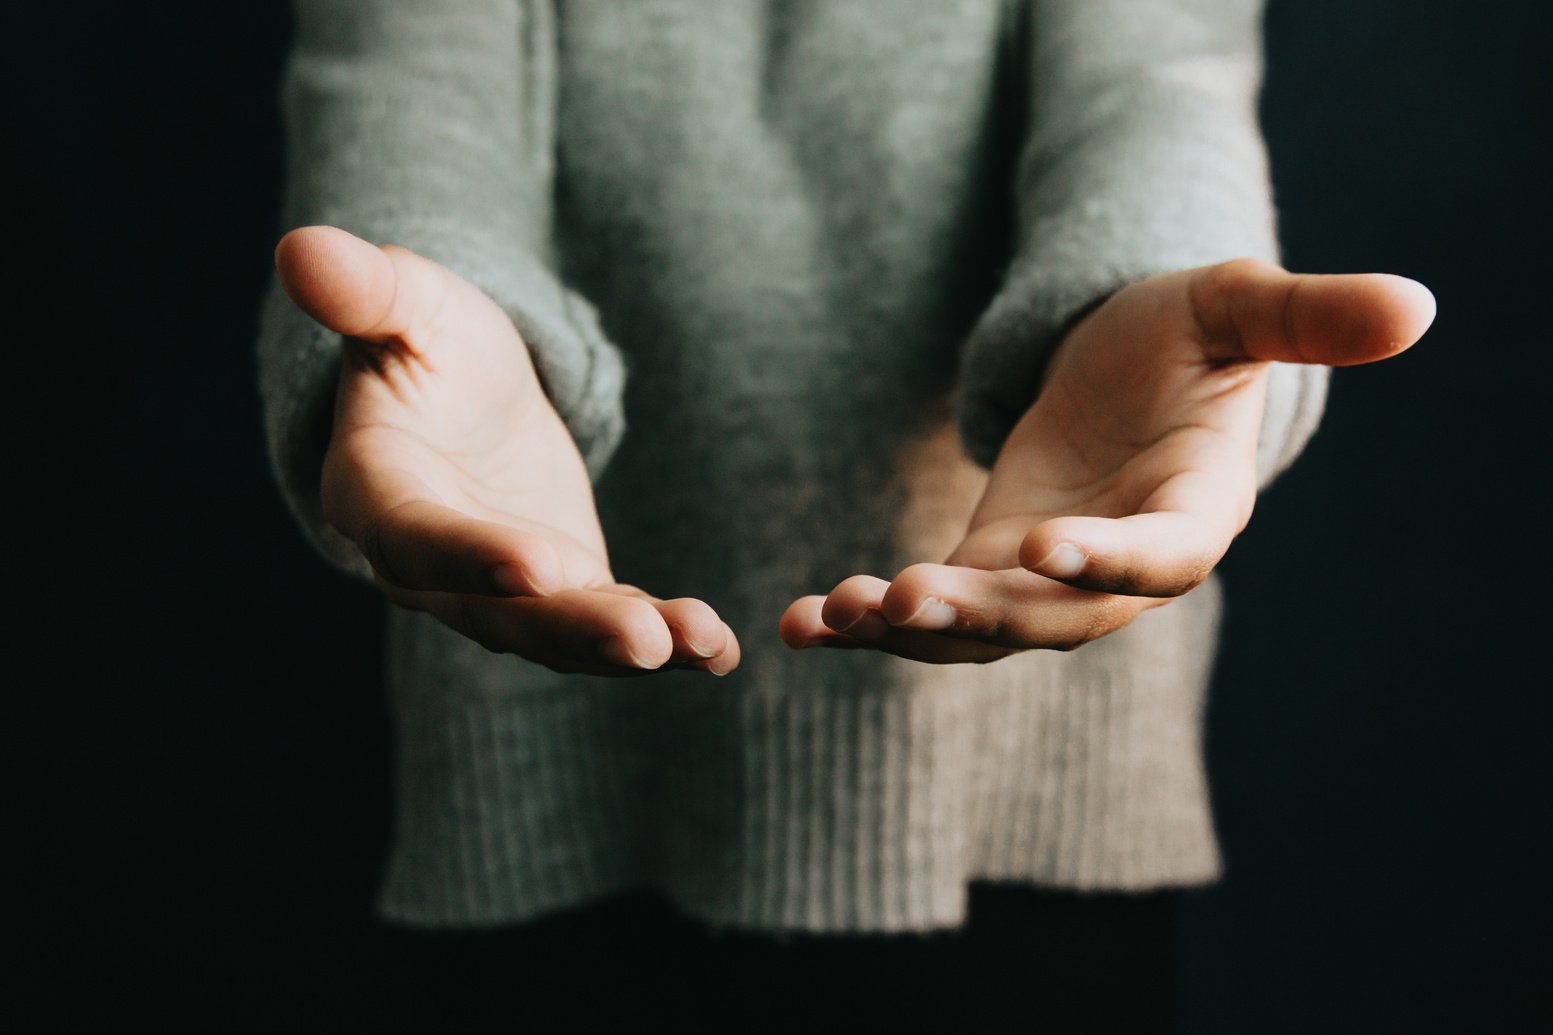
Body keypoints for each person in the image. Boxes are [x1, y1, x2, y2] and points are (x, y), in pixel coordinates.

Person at [257, 0, 1433, 1020]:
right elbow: (410, 98)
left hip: (1017, 766)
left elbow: (1154, 85)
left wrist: (1165, 299)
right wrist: (412, 331)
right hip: (541, 727)